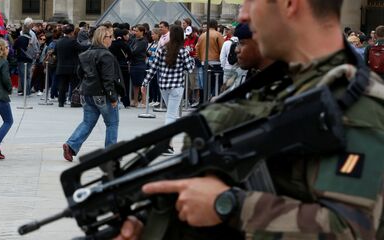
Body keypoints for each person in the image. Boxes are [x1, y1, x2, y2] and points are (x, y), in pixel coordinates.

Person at [116, 0, 384, 240]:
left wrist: (227, 204)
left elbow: (349, 230)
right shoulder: (287, 86)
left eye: (249, 2)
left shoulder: (356, 103)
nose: (242, 15)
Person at [62, 26, 121, 162]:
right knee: (112, 123)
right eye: (109, 37)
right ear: (103, 38)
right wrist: (112, 97)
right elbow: (108, 79)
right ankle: (110, 154)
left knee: (88, 122)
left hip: (87, 92)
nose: (111, 39)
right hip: (102, 94)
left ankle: (71, 145)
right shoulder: (106, 55)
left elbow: (80, 73)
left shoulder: (86, 53)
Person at [142, 25, 195, 155]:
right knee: (171, 115)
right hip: (177, 86)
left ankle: (167, 144)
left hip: (164, 85)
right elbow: (190, 68)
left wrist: (145, 83)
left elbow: (153, 68)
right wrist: (191, 60)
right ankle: (166, 144)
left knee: (169, 114)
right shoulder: (183, 51)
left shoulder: (162, 50)